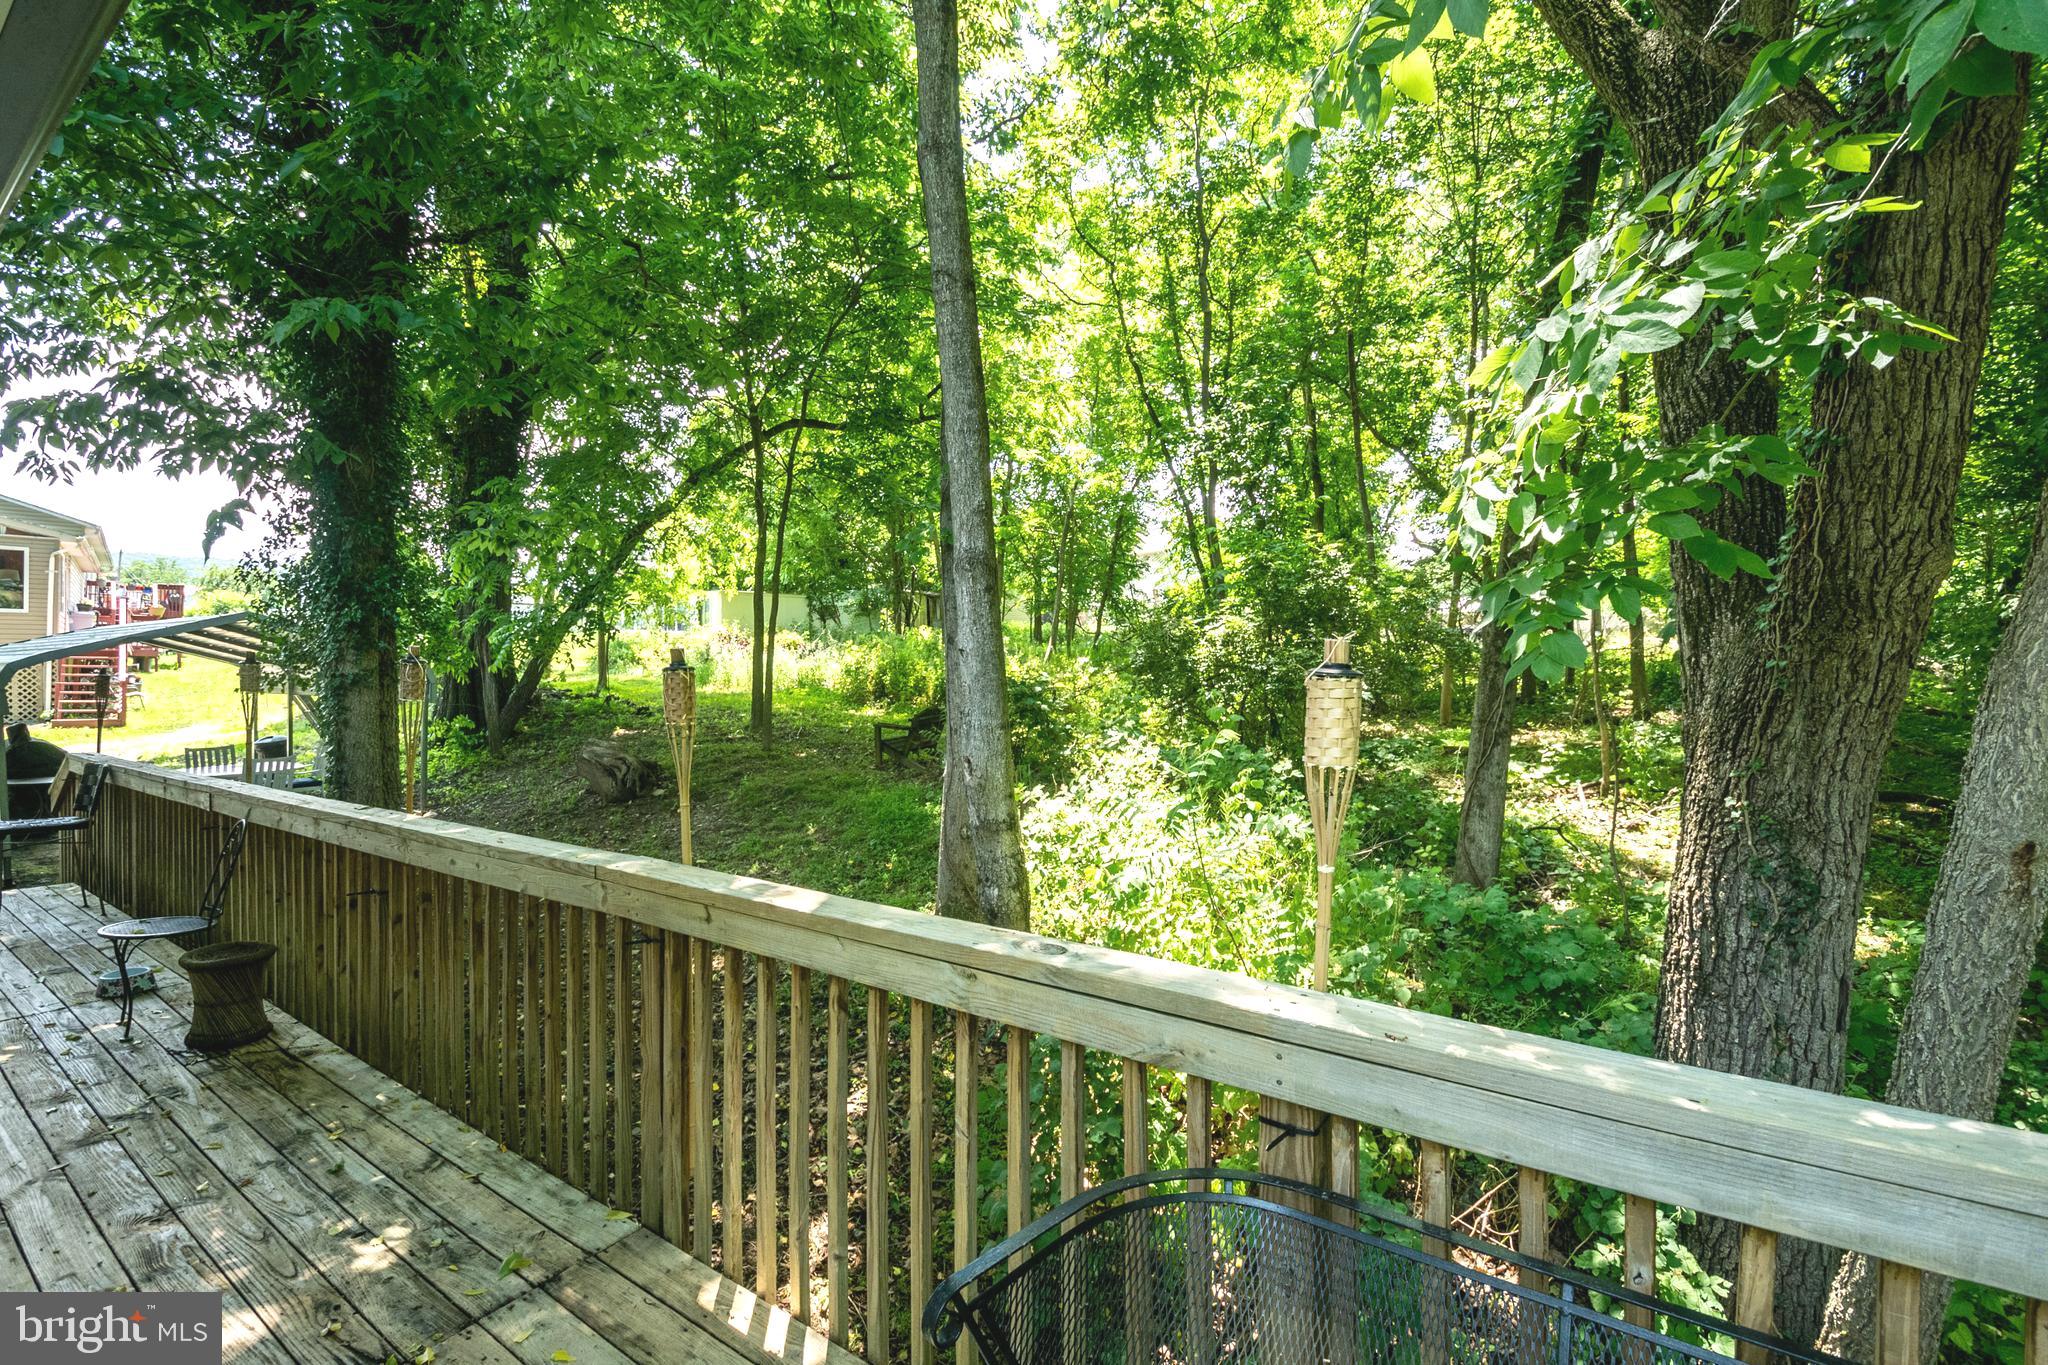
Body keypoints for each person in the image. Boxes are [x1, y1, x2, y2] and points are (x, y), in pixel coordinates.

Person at [6, 722, 68, 819]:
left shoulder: (41, 746)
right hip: (22, 787)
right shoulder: (7, 751)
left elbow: (66, 759)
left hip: (45, 783)